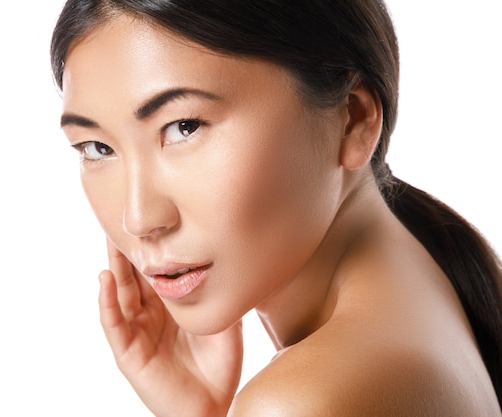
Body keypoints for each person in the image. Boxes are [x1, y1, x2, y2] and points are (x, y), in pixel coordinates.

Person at [50, 1, 502, 415]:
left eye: (184, 127)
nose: (139, 219)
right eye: (96, 147)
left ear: (354, 118)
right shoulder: (425, 286)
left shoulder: (301, 402)